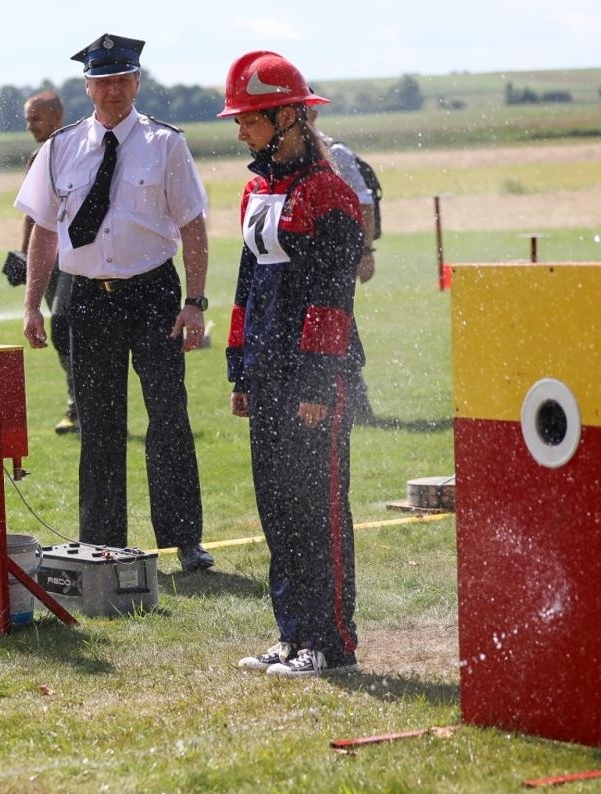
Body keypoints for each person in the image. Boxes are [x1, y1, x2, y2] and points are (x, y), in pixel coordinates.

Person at [14, 34, 215, 572]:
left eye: (123, 80)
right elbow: (44, 231)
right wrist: (33, 305)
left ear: (137, 82)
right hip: (86, 299)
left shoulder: (165, 143)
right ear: (88, 87)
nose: (114, 90)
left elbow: (193, 225)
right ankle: (103, 545)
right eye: (103, 82)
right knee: (99, 427)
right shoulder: (60, 148)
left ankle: (185, 540)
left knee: (168, 416)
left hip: (153, 294)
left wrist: (195, 301)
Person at [219, 52, 365, 679]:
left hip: (315, 378)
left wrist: (315, 382)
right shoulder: (257, 189)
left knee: (317, 509)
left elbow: (333, 296)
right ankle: (293, 634)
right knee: (277, 506)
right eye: (239, 121)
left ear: (287, 117)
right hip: (267, 371)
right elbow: (247, 284)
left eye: (250, 120)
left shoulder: (330, 193)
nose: (241, 132)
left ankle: (332, 643)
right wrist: (240, 368)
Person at [15, 90, 79, 435]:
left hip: (73, 257)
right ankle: (79, 404)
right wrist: (23, 254)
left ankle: (80, 406)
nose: (30, 126)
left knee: (63, 324)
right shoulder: (36, 157)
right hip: (47, 261)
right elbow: (33, 214)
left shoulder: (77, 150)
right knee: (61, 331)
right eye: (27, 120)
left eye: (36, 119)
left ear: (57, 117)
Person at [318, 131, 378, 423]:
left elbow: (364, 203)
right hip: (315, 261)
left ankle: (356, 404)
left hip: (339, 261)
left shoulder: (336, 152)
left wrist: (365, 252)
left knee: (341, 330)